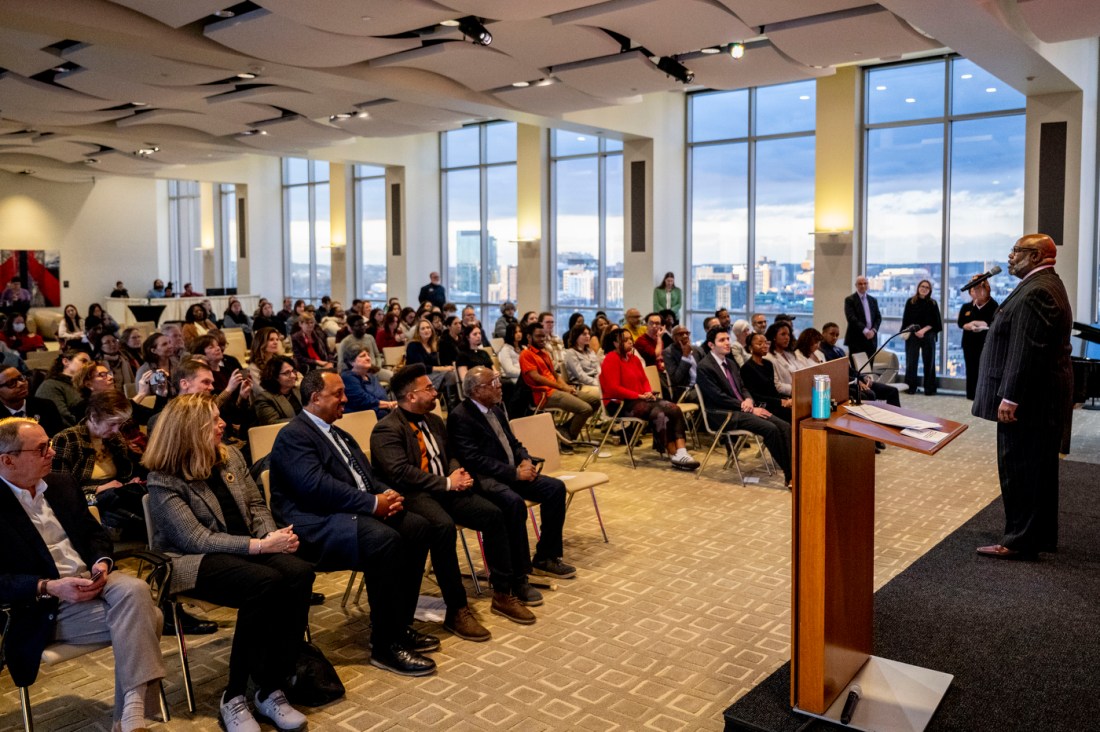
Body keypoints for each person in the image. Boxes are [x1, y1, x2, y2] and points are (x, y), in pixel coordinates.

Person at [145, 395, 314, 732]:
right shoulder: (163, 476)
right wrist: (262, 546)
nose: (223, 424)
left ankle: (270, 688)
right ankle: (234, 696)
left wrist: (274, 538)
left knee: (299, 572)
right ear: (190, 430)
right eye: (214, 420)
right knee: (263, 583)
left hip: (247, 551)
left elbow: (256, 505)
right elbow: (195, 539)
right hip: (191, 562)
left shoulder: (230, 456)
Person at [0, 417, 166, 732]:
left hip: (92, 579)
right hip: (47, 604)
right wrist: (49, 586)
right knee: (152, 618)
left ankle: (129, 716)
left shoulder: (61, 483)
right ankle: (130, 717)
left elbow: (95, 536)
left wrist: (101, 562)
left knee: (135, 589)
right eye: (41, 448)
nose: (52, 452)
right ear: (7, 460)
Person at [268, 370, 437, 676]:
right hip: (313, 524)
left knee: (418, 527)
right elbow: (316, 488)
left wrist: (385, 493)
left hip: (348, 513)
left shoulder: (339, 433)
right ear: (315, 397)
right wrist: (373, 504)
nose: (345, 399)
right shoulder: (294, 435)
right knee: (384, 540)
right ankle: (385, 646)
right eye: (338, 394)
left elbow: (366, 476)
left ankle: (399, 624)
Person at [372, 364, 540, 635]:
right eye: (428, 388)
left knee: (494, 514)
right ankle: (456, 608)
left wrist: (454, 470)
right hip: (415, 496)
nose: (435, 391)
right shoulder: (387, 429)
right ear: (411, 396)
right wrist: (449, 482)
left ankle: (503, 592)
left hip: (446, 489)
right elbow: (401, 473)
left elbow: (451, 453)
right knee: (443, 528)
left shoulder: (435, 420)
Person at [973, 233, 1073, 560]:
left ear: (1035, 256)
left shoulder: (1038, 291)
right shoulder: (1041, 284)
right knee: (1037, 469)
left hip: (1030, 401)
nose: (1010, 256)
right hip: (1040, 397)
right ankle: (1035, 536)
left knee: (1021, 469)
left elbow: (1026, 349)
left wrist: (1010, 397)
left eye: (1016, 251)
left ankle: (1018, 541)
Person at [449, 366, 577, 582]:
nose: (500, 386)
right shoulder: (460, 416)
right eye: (494, 383)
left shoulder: (496, 410)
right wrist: (515, 473)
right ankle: (519, 573)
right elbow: (474, 460)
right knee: (514, 503)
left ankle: (545, 557)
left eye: (498, 380)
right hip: (487, 480)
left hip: (512, 473)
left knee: (555, 488)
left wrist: (525, 459)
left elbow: (514, 444)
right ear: (477, 390)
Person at [696, 328, 793, 485]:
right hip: (723, 414)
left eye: (728, 339)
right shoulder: (705, 367)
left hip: (743, 409)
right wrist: (744, 405)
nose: (727, 342)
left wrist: (748, 399)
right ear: (711, 345)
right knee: (771, 429)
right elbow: (717, 396)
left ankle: (794, 468)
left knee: (784, 426)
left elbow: (743, 388)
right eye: (722, 340)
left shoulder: (731, 364)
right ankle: (791, 475)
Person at [51, 389, 147, 540]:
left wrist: (129, 483)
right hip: (87, 502)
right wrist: (98, 488)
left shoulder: (115, 439)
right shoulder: (66, 439)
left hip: (116, 498)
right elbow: (59, 491)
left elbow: (123, 475)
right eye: (112, 424)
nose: (116, 430)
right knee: (142, 516)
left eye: (120, 424)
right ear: (94, 417)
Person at [599, 329, 699, 470]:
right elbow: (613, 388)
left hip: (640, 400)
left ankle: (682, 451)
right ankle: (674, 454)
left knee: (673, 408)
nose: (630, 342)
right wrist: (638, 395)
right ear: (615, 343)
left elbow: (644, 380)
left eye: (630, 339)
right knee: (659, 413)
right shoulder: (611, 358)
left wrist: (648, 392)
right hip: (620, 403)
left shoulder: (634, 359)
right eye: (625, 340)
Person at [519, 322, 599, 451]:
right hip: (544, 394)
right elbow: (536, 377)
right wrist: (561, 388)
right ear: (529, 337)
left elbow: (555, 376)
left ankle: (563, 430)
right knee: (585, 409)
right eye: (538, 336)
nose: (542, 339)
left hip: (556, 390)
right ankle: (568, 441)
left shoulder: (544, 354)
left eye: (543, 336)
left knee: (595, 401)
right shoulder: (526, 354)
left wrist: (566, 387)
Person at [818, 322, 900, 408]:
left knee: (892, 391)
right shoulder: (821, 352)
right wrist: (856, 381)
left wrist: (862, 376)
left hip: (855, 380)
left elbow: (850, 370)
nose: (835, 337)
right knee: (870, 394)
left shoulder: (839, 350)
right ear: (823, 333)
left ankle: (897, 418)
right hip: (844, 384)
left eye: (837, 335)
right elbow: (835, 375)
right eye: (832, 334)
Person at [958, 276, 998, 400]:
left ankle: (984, 396)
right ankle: (971, 395)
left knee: (984, 370)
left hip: (985, 343)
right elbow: (961, 323)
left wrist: (983, 324)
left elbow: (995, 323)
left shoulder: (993, 305)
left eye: (979, 289)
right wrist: (969, 325)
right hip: (969, 343)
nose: (976, 292)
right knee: (971, 369)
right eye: (974, 289)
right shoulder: (966, 307)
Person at [901, 279, 942, 395]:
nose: (924, 289)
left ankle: (930, 389)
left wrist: (923, 330)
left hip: (928, 335)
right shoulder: (911, 302)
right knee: (911, 362)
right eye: (922, 286)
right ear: (918, 288)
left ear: (930, 290)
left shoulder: (933, 303)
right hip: (913, 334)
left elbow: (936, 323)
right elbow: (906, 320)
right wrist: (915, 331)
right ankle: (910, 388)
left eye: (927, 287)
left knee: (929, 362)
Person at [739, 334, 792, 423]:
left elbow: (773, 390)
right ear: (750, 348)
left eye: (766, 343)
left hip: (774, 402)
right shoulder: (747, 368)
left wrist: (785, 400)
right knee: (790, 415)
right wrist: (780, 402)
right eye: (760, 344)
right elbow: (755, 396)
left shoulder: (768, 364)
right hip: (763, 405)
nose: (765, 346)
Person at [35, 348, 92, 428]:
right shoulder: (51, 385)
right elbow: (62, 418)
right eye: (84, 361)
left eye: (89, 363)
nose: (88, 366)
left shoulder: (87, 385)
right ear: (66, 362)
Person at [0, 366, 63, 436]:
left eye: (21, 378)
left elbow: (58, 439)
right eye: (11, 383)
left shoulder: (46, 406)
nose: (21, 384)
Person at [341, 343, 396, 417]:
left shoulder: (371, 376)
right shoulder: (348, 378)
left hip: (382, 414)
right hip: (362, 418)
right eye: (363, 356)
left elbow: (382, 395)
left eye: (368, 355)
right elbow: (363, 401)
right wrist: (389, 404)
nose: (368, 358)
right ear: (351, 362)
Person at [338, 314, 392, 382]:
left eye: (363, 325)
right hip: (358, 373)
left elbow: (377, 355)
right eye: (359, 326)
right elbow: (341, 364)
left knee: (393, 377)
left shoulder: (370, 338)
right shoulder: (345, 342)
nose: (363, 327)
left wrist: (378, 366)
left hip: (374, 370)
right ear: (351, 328)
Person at [253, 356, 302, 426]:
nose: (293, 375)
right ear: (275, 377)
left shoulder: (298, 390)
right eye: (287, 373)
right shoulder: (264, 398)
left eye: (293, 371)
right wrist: (304, 420)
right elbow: (272, 423)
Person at [843, 276, 881, 361]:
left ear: (868, 285)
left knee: (869, 367)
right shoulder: (850, 300)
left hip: (871, 339)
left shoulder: (873, 300)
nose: (863, 286)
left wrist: (873, 331)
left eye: (865, 283)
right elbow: (851, 318)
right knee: (857, 368)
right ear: (856, 285)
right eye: (860, 284)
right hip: (856, 339)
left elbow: (878, 317)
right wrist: (865, 331)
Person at [563, 324, 601, 400]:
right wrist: (596, 383)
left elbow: (598, 369)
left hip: (595, 382)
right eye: (584, 334)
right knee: (604, 393)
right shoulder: (571, 353)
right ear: (576, 336)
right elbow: (580, 376)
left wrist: (601, 379)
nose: (588, 336)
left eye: (588, 334)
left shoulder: (590, 351)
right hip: (581, 386)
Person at [662, 325, 698, 397]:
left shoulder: (697, 350)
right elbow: (676, 379)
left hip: (701, 386)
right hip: (685, 391)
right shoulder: (669, 352)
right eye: (681, 334)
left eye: (687, 333)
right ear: (673, 338)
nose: (685, 336)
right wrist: (685, 356)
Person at [763, 322, 797, 397]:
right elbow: (777, 386)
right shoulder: (768, 357)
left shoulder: (790, 354)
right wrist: (796, 388)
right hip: (784, 397)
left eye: (788, 334)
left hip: (797, 393)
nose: (787, 337)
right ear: (774, 337)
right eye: (783, 334)